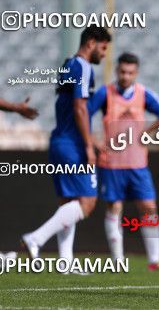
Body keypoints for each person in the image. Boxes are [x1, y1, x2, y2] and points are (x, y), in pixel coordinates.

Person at [21, 27, 111, 265]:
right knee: (87, 203)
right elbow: (80, 108)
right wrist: (89, 145)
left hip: (60, 140)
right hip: (73, 144)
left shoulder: (67, 65)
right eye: (103, 48)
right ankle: (36, 238)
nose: (104, 54)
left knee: (68, 203)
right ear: (91, 43)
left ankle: (66, 261)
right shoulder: (82, 66)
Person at [88, 52, 159, 272]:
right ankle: (117, 260)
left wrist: (147, 130)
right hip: (112, 162)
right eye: (122, 71)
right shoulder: (105, 93)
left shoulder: (143, 93)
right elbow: (83, 113)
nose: (125, 76)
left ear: (136, 73)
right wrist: (93, 140)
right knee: (114, 207)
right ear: (117, 70)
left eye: (130, 72)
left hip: (138, 163)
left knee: (148, 207)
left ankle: (155, 259)